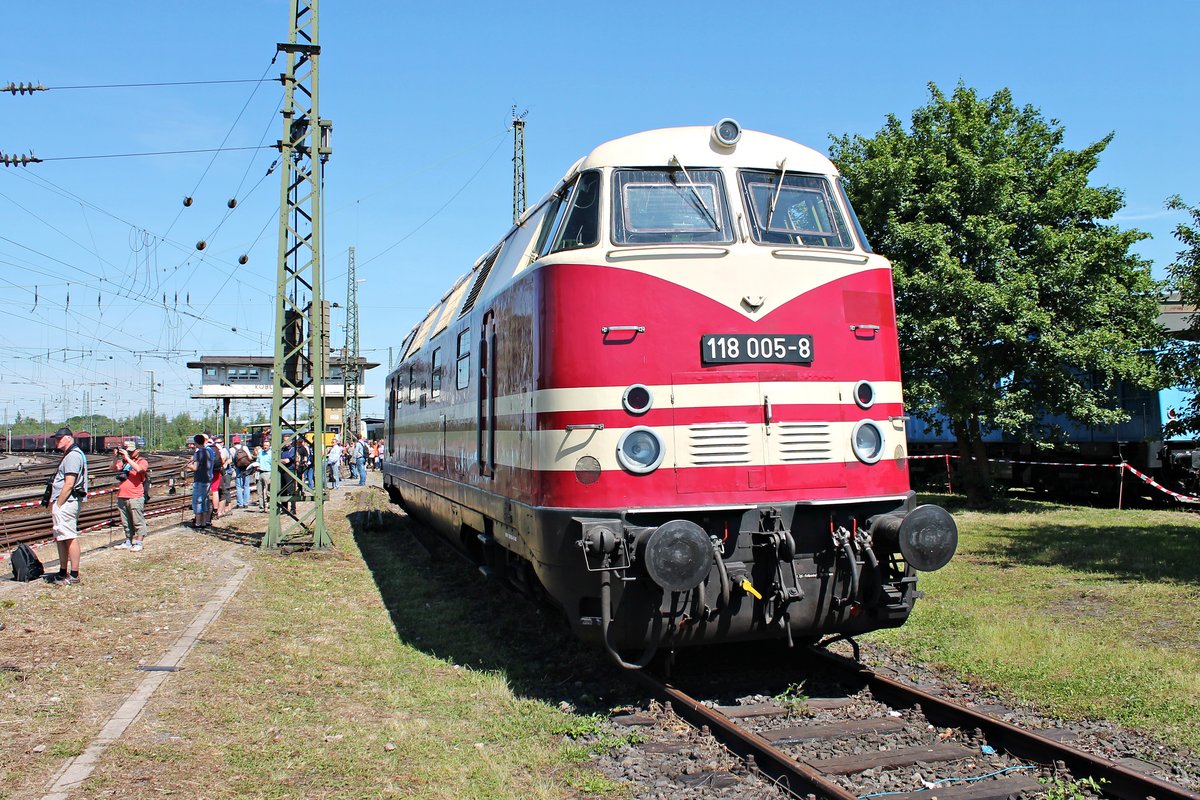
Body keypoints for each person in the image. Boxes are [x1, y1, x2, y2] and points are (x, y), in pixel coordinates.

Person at [47, 427, 87, 584]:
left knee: (69, 537)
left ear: (69, 438)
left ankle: (74, 574)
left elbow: (69, 483)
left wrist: (58, 504)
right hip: (66, 502)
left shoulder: (72, 456)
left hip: (67, 502)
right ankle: (63, 571)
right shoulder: (71, 455)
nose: (56, 441)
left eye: (59, 438)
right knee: (61, 537)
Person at [111, 439, 149, 551]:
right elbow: (112, 468)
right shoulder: (124, 462)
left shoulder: (142, 461)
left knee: (138, 520)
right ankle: (128, 541)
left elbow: (139, 470)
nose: (131, 453)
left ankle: (139, 542)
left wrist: (127, 458)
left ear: (138, 450)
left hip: (135, 496)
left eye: (132, 451)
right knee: (126, 521)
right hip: (122, 495)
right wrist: (116, 457)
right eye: (129, 451)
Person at [185, 433, 214, 528]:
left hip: (200, 479)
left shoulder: (198, 452)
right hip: (208, 478)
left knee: (197, 501)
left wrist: (189, 466)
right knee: (205, 500)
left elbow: (195, 468)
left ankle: (198, 522)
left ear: (196, 442)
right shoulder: (209, 451)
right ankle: (204, 522)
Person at [230, 435, 253, 509]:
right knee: (246, 486)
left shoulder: (232, 449)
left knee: (239, 487)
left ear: (233, 442)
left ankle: (240, 504)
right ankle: (246, 503)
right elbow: (250, 457)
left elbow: (232, 460)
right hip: (246, 468)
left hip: (237, 468)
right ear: (240, 441)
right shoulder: (245, 447)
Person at [254, 443, 271, 510]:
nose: (265, 446)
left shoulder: (271, 453)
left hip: (268, 473)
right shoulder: (260, 453)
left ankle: (269, 505)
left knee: (268, 491)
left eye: (266, 445)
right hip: (260, 472)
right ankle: (261, 506)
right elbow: (257, 461)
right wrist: (257, 466)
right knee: (259, 491)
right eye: (264, 445)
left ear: (269, 446)